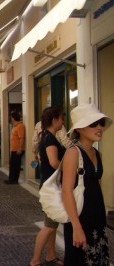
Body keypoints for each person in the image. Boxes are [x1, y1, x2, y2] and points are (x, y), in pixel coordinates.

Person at [62, 103, 112, 265]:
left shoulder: (97, 153)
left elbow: (95, 185)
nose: (99, 127)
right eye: (93, 124)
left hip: (97, 217)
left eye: (101, 123)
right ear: (80, 129)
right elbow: (66, 191)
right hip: (79, 218)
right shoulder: (73, 153)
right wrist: (76, 227)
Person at [29, 107, 66, 266]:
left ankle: (50, 255)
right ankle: (35, 260)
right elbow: (53, 162)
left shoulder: (45, 136)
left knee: (52, 224)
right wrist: (71, 168)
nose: (63, 121)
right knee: (50, 226)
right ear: (54, 120)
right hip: (52, 188)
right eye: (61, 118)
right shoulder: (50, 138)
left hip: (49, 186)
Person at [4, 110, 25, 184]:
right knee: (13, 165)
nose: (11, 119)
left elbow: (21, 138)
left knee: (15, 165)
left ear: (14, 118)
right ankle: (12, 179)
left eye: (11, 117)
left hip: (17, 149)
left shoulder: (20, 126)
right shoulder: (14, 126)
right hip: (13, 149)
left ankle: (14, 180)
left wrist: (19, 148)